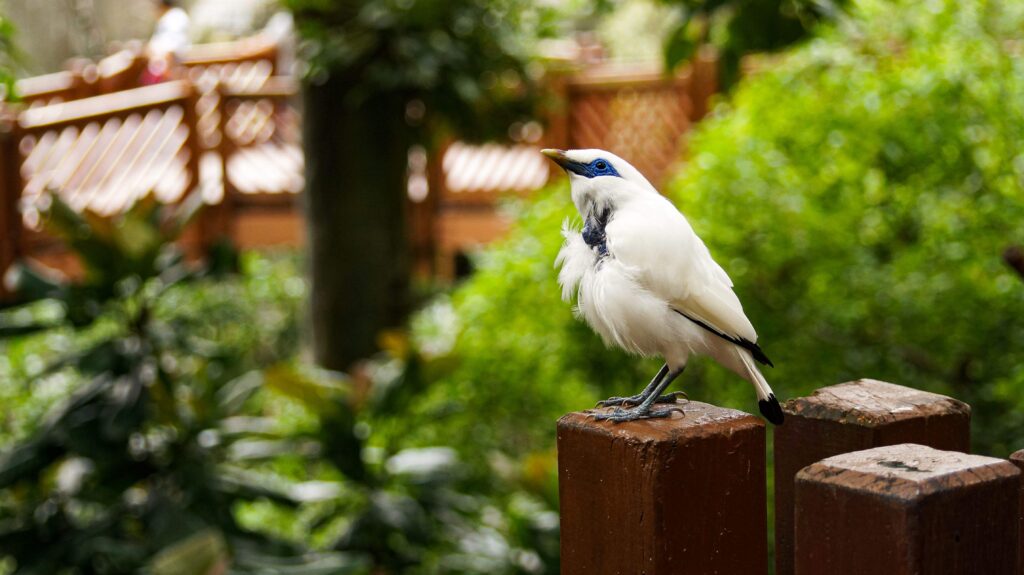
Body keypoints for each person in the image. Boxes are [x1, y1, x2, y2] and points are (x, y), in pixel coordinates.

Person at [142, 0, 190, 84]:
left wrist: (167, 67)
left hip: (167, 69)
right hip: (161, 67)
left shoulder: (175, 17)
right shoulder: (167, 18)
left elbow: (172, 46)